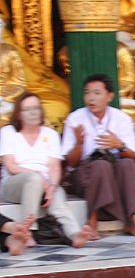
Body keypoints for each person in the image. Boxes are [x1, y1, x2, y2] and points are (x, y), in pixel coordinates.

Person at [0, 92, 94, 248]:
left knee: (57, 201)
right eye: (28, 109)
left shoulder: (50, 134)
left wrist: (52, 186)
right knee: (34, 179)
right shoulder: (8, 132)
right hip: (15, 184)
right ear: (19, 114)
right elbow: (11, 166)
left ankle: (75, 234)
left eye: (37, 108)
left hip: (45, 186)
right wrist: (40, 178)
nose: (33, 112)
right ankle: (28, 231)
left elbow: (54, 166)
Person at [61, 74, 135, 237]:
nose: (91, 98)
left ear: (109, 96)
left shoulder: (122, 119)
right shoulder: (75, 118)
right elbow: (70, 164)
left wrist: (119, 145)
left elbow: (132, 156)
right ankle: (92, 221)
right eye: (87, 93)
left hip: (115, 172)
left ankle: (131, 221)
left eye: (97, 93)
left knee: (127, 165)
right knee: (100, 165)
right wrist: (79, 144)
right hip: (85, 174)